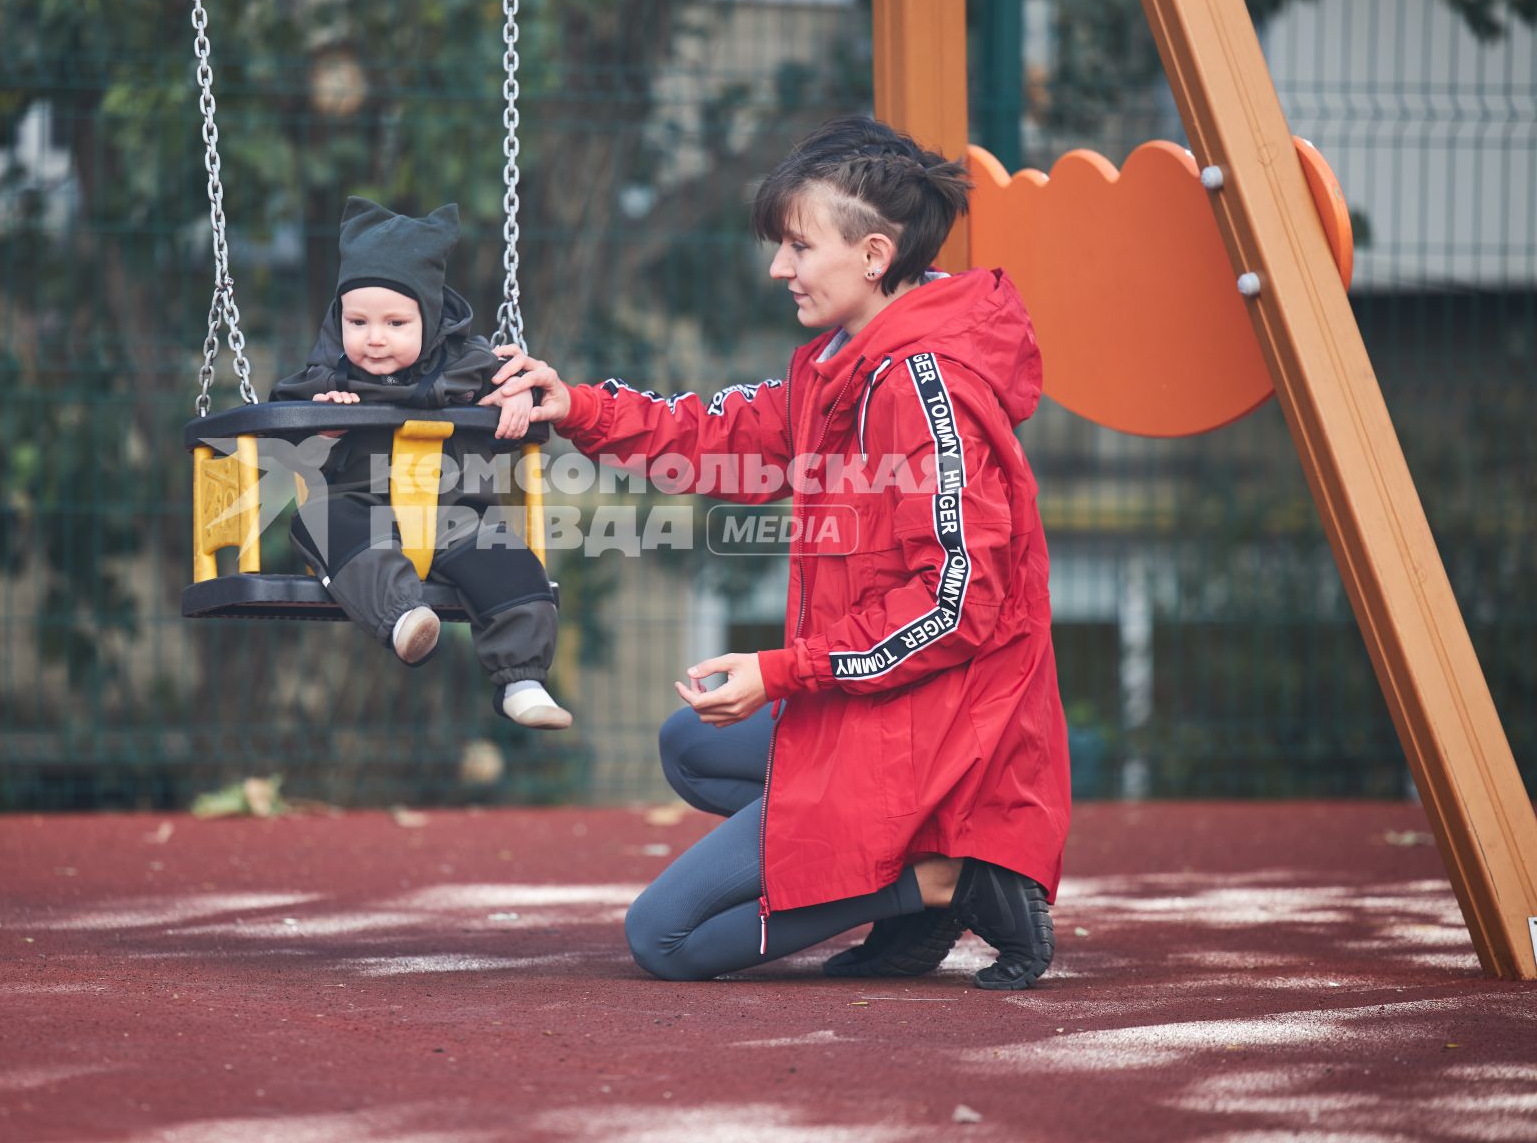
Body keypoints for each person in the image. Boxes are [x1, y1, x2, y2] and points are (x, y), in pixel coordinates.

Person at [482, 117, 1070, 986]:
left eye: (798, 246)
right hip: (888, 708)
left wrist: (785, 671)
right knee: (690, 744)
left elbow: (956, 602)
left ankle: (941, 873)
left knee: (666, 942)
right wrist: (575, 406)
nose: (778, 268)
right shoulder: (840, 362)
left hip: (942, 734)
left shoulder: (922, 384)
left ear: (875, 255)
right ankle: (915, 890)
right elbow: (723, 435)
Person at [272, 196, 571, 730]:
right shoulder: (329, 377)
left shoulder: (475, 371)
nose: (374, 337)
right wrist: (324, 424)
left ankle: (522, 679)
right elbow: (286, 432)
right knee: (316, 521)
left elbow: (515, 390)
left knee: (514, 565)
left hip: (457, 518)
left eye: (395, 321)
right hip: (364, 512)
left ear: (430, 318)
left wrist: (517, 401)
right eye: (357, 320)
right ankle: (405, 619)